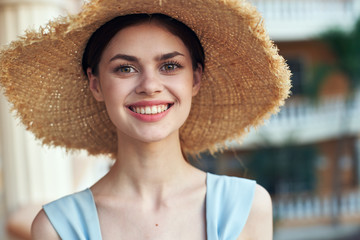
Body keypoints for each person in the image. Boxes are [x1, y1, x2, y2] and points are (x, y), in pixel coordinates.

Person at [0, 0, 291, 239]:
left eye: (169, 65)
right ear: (96, 84)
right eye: (125, 68)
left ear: (196, 79)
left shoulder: (247, 207)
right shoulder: (56, 228)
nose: (149, 85)